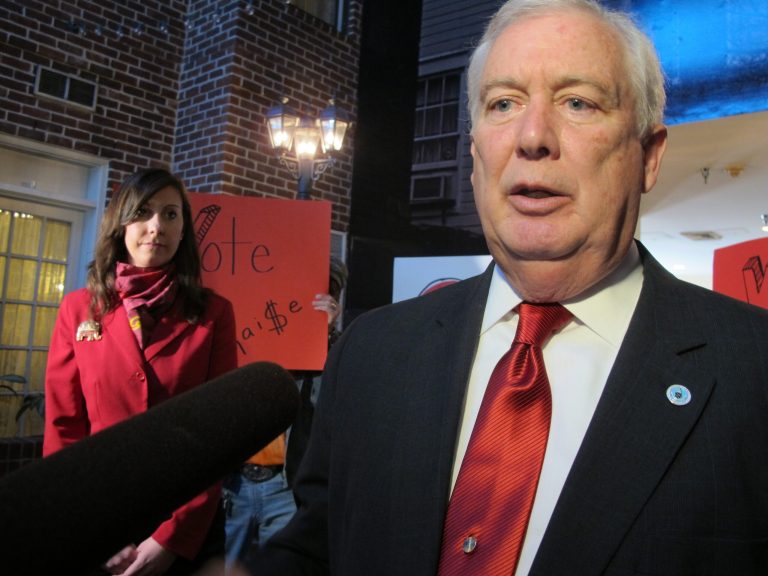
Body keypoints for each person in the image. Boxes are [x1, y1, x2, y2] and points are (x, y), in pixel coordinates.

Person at [254, 1, 768, 575]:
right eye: (503, 103)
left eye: (578, 102)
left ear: (648, 156)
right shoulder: (370, 355)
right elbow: (314, 550)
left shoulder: (754, 371)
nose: (532, 137)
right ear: (474, 157)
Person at [44, 168, 237, 575]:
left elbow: (219, 436)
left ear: (184, 229)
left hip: (186, 524)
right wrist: (86, 527)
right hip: (98, 516)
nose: (156, 227)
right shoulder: (79, 310)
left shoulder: (214, 313)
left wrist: (171, 539)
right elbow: (64, 429)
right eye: (144, 212)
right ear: (121, 223)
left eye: (170, 215)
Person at [222, 257, 347, 574]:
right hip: (232, 482)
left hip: (284, 486)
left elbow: (332, 402)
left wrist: (327, 334)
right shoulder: (241, 334)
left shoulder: (322, 353)